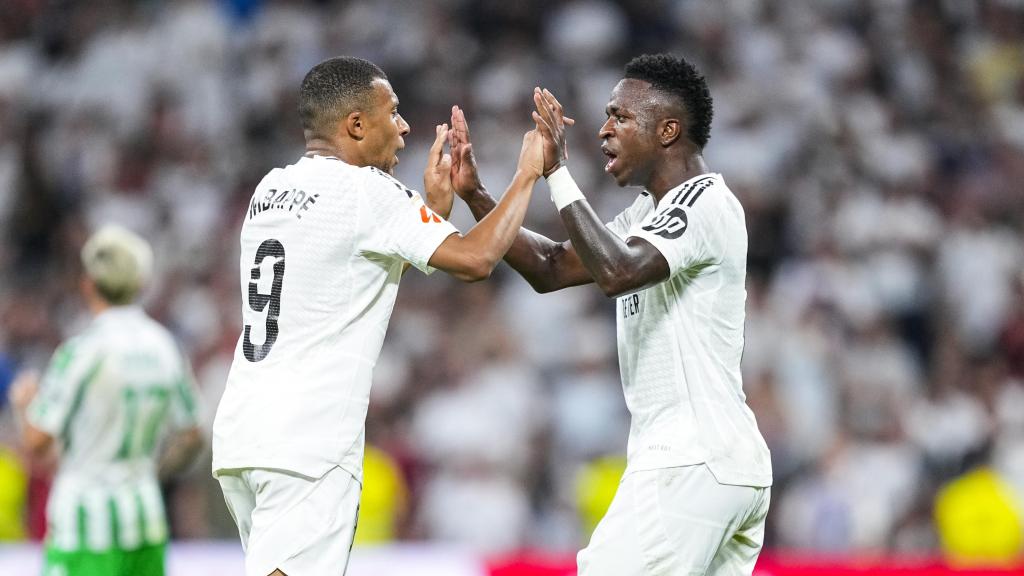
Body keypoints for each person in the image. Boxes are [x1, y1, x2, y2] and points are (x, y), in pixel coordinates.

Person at [211, 55, 544, 576]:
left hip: (244, 431)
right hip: (309, 438)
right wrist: (527, 174)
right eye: (393, 111)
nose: (405, 125)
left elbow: (349, 278)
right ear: (357, 125)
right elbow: (477, 260)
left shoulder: (270, 189)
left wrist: (429, 214)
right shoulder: (366, 191)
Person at [450, 53, 773, 575]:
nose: (603, 131)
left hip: (691, 459)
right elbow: (552, 267)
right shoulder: (652, 212)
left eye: (620, 116)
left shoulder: (704, 203)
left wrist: (556, 172)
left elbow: (617, 272)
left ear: (668, 130)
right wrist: (476, 195)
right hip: (719, 466)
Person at [8, 225, 204, 576]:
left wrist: (23, 404)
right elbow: (193, 434)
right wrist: (152, 474)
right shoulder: (164, 347)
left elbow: (37, 443)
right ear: (141, 284)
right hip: (144, 517)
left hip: (84, 526)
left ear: (88, 284)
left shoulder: (81, 352)